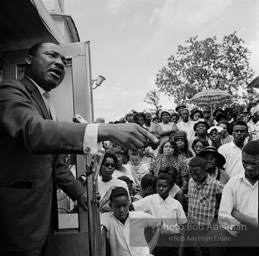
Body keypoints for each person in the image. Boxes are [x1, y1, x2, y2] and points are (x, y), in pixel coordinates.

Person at [0, 42, 157, 255]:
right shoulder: (10, 90)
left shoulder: (47, 104)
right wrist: (103, 131)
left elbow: (55, 163)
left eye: (64, 62)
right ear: (28, 59)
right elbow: (33, 132)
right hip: (17, 220)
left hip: (41, 221)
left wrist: (79, 193)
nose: (59, 63)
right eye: (51, 55)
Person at [218, 141, 259, 256]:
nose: (249, 167)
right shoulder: (233, 183)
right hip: (240, 241)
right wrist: (248, 227)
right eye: (245, 162)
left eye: (255, 163)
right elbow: (224, 216)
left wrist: (237, 214)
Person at [132, 173, 187, 256]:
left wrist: (181, 248)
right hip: (157, 239)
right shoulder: (150, 200)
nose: (161, 189)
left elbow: (183, 226)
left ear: (170, 186)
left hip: (174, 239)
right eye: (158, 186)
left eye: (164, 186)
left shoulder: (176, 204)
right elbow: (132, 206)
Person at [100, 187, 163, 256]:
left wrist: (151, 246)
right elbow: (90, 217)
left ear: (129, 203)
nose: (121, 210)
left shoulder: (139, 216)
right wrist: (104, 199)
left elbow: (159, 222)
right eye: (117, 207)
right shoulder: (107, 219)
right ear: (110, 205)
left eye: (125, 206)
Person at [187, 156, 225, 256]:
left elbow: (229, 201)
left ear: (205, 169)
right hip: (193, 231)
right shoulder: (190, 182)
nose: (194, 177)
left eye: (197, 173)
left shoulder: (216, 185)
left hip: (210, 231)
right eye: (192, 173)